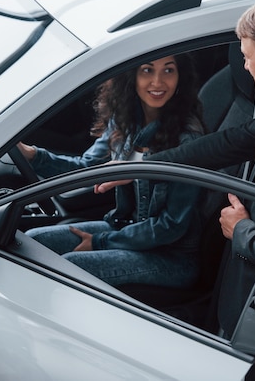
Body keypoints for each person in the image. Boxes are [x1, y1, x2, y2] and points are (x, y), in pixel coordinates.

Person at [97, 0, 255, 379]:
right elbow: (228, 142)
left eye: (248, 56)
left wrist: (239, 228)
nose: (245, 66)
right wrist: (142, 168)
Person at [19, 54, 206, 288]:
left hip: (170, 256)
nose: (158, 82)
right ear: (132, 76)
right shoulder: (125, 120)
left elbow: (172, 225)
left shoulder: (188, 138)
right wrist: (34, 156)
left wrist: (102, 242)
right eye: (147, 70)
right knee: (33, 242)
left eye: (168, 71)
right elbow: (88, 168)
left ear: (180, 77)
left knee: (70, 267)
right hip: (126, 228)